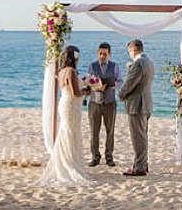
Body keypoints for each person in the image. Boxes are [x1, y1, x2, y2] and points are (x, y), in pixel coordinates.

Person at [39, 45, 89, 187]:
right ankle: (70, 163)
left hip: (65, 103)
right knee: (71, 132)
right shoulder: (71, 71)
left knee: (66, 132)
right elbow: (76, 93)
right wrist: (87, 90)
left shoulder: (61, 71)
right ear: (74, 57)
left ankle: (65, 160)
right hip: (71, 105)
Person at [120, 38, 154, 176]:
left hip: (137, 104)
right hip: (146, 103)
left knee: (138, 137)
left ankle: (139, 168)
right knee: (143, 136)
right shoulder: (149, 62)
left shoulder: (139, 63)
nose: (129, 54)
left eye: (129, 51)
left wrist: (121, 94)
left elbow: (130, 82)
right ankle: (142, 164)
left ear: (133, 50)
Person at [86, 40, 122, 167]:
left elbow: (120, 82)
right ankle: (95, 157)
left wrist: (110, 85)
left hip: (110, 103)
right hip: (95, 103)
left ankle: (109, 157)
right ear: (97, 54)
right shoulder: (92, 66)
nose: (102, 56)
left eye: (105, 54)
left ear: (109, 55)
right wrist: (96, 86)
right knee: (94, 131)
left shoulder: (115, 66)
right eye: (100, 53)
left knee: (110, 131)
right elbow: (88, 82)